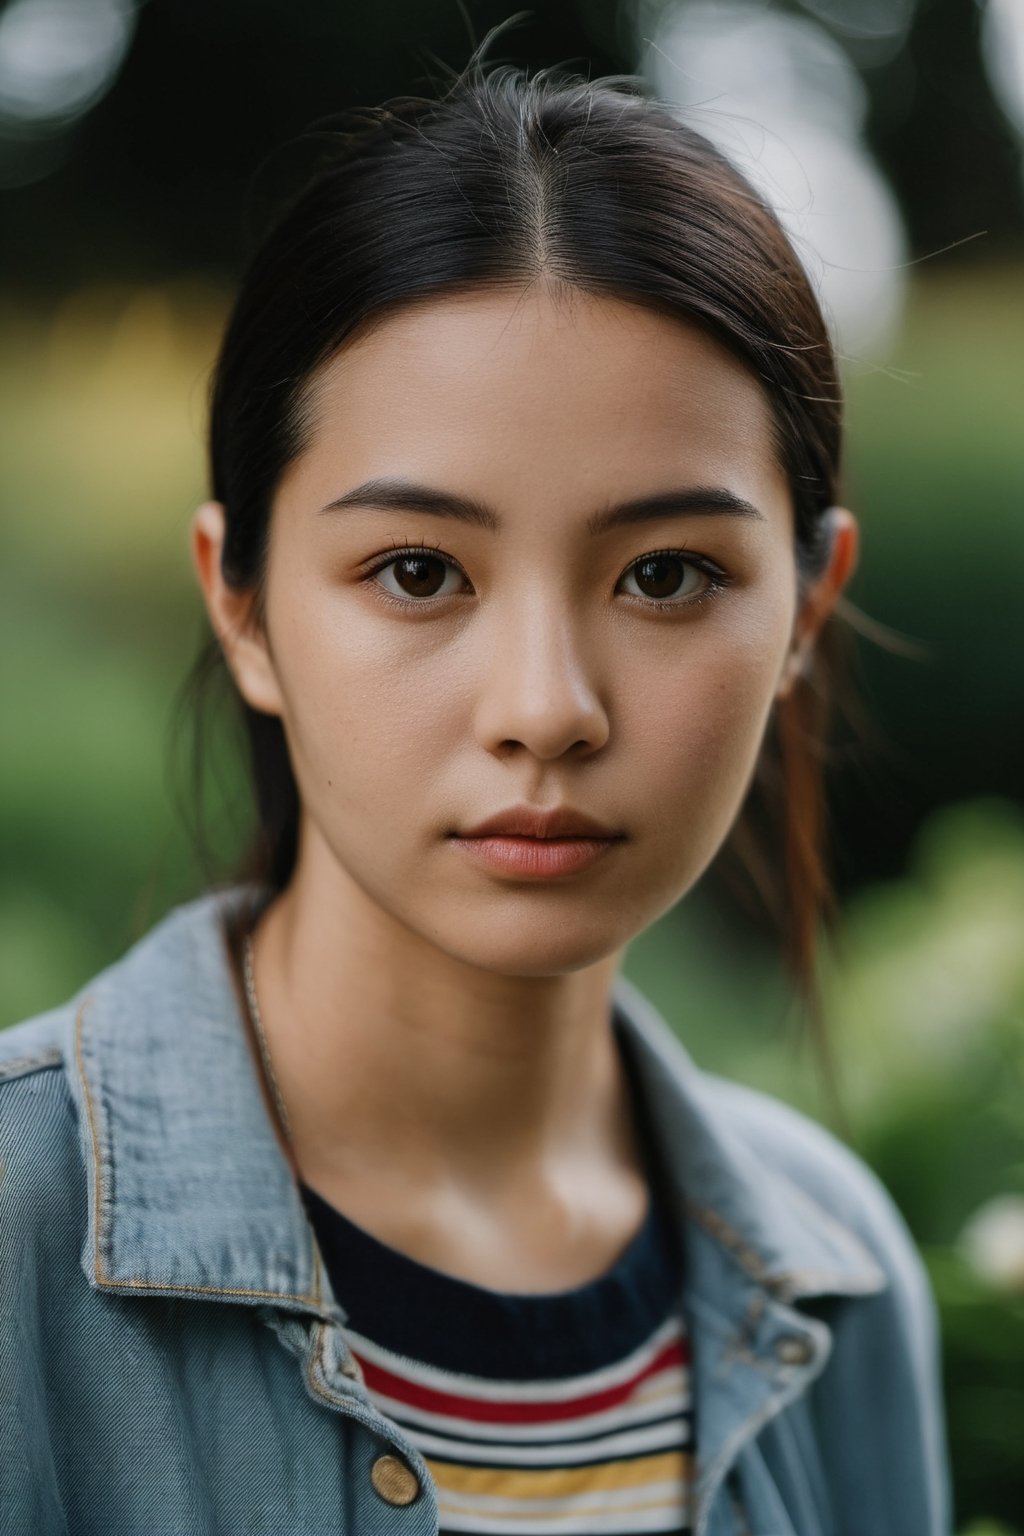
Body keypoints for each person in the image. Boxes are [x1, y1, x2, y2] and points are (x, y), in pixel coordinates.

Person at [0, 58, 952, 1536]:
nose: (546, 709)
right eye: (419, 573)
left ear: (807, 615)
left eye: (666, 576)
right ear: (240, 605)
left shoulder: (841, 1278)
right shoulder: (15, 1239)